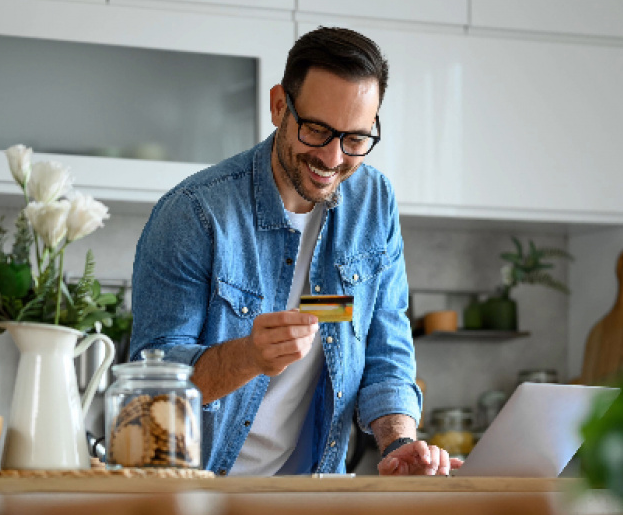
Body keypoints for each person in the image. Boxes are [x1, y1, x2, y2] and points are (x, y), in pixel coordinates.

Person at [131, 26, 461, 477]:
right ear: (279, 106)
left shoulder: (374, 203)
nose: (332, 158)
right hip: (200, 492)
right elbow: (152, 387)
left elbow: (387, 349)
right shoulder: (196, 213)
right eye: (317, 130)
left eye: (355, 139)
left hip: (311, 494)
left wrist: (397, 441)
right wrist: (249, 356)